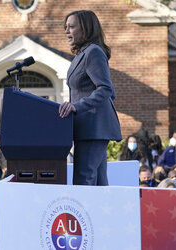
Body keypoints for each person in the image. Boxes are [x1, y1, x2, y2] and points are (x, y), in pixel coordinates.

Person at [59, 10, 122, 186]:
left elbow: (106, 89)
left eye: (71, 26)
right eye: (65, 27)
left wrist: (76, 106)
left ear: (85, 29)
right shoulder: (82, 54)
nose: (67, 31)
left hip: (94, 128)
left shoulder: (93, 52)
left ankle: (85, 215)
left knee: (84, 180)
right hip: (88, 127)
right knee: (99, 182)